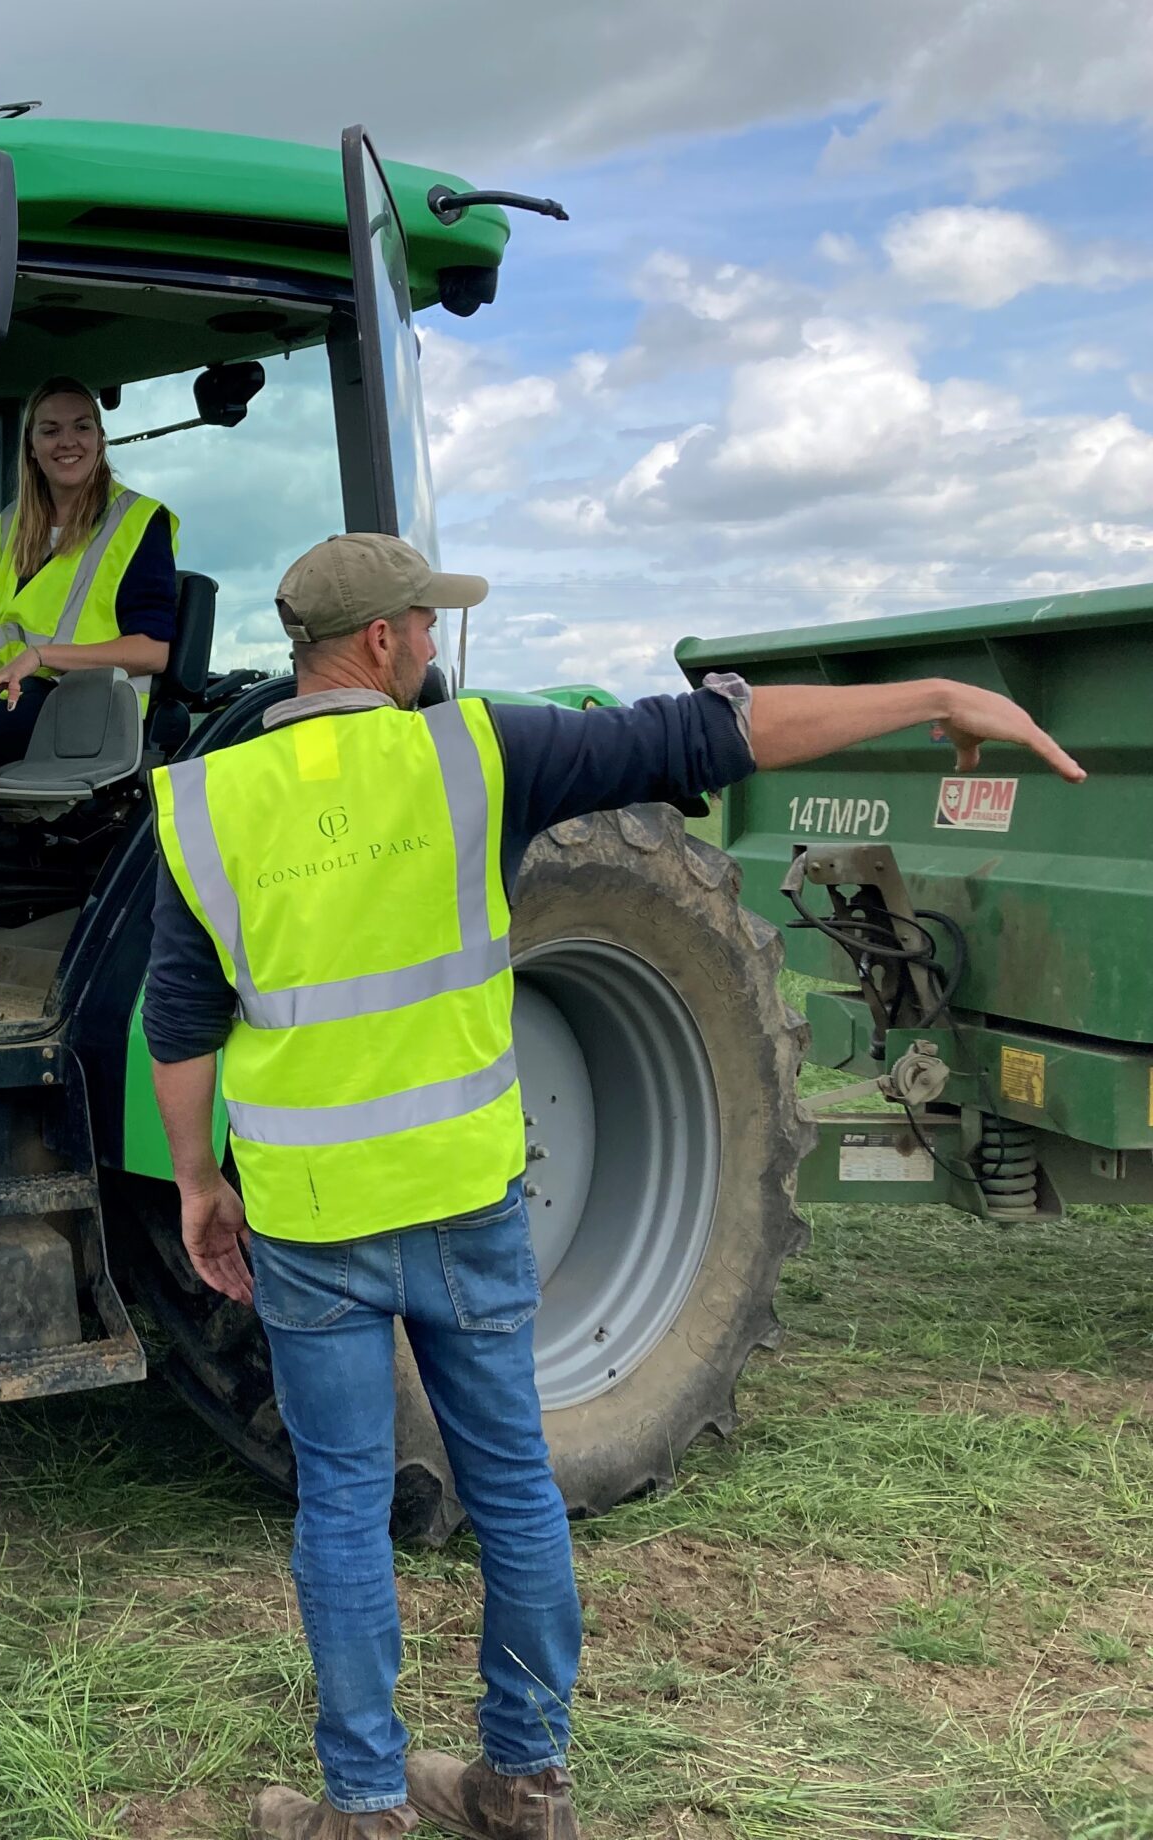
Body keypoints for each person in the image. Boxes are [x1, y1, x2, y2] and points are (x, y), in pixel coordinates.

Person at [143, 532, 1085, 1840]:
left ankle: (362, 1807)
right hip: (469, 1205)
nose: (433, 644)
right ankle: (524, 1785)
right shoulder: (479, 755)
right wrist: (931, 700)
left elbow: (179, 1024)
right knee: (516, 1485)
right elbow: (709, 737)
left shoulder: (207, 802)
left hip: (313, 1224)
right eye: (423, 625)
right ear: (377, 643)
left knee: (345, 1507)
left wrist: (200, 1185)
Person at [0, 376, 178, 844]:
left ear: (100, 440)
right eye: (50, 430)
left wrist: (41, 657)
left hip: (80, 710)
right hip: (7, 701)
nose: (68, 442)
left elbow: (152, 652)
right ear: (30, 447)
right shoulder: (12, 526)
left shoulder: (138, 523)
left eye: (82, 428)